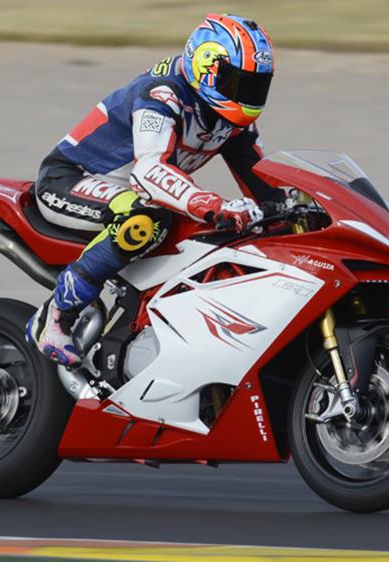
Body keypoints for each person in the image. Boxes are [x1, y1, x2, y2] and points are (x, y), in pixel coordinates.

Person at [26, 13, 282, 366]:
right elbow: (149, 171)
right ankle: (55, 316)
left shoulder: (231, 121)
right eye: (240, 84)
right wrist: (211, 203)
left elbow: (267, 185)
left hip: (131, 189)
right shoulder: (161, 95)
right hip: (72, 179)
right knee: (146, 220)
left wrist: (301, 208)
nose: (250, 96)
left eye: (257, 85)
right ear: (207, 68)